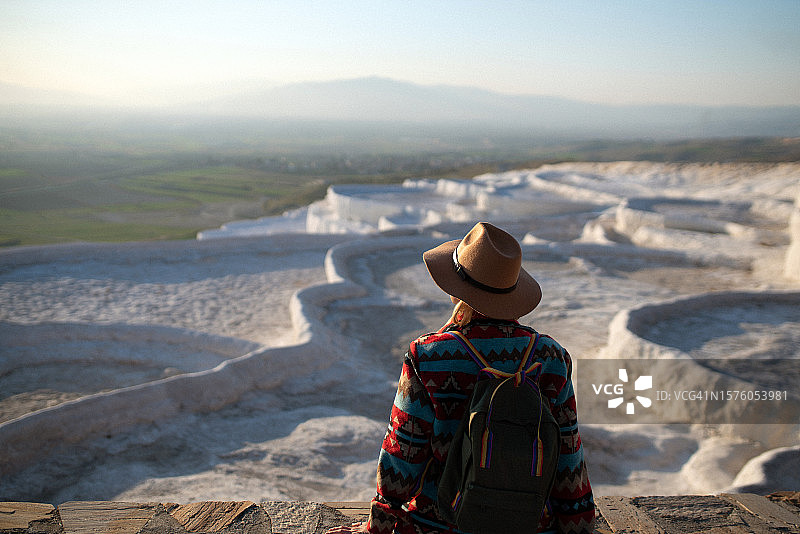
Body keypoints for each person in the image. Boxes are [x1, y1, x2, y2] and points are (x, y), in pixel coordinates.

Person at [326, 222, 595, 534]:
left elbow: (403, 451)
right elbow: (568, 450)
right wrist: (579, 524)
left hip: (439, 524)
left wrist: (380, 522)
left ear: (455, 289)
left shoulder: (428, 355)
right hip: (531, 525)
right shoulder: (550, 355)